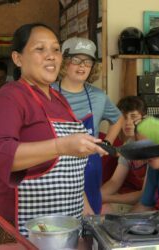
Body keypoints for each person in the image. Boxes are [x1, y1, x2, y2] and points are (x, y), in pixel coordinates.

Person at [0, 23, 108, 239]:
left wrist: (84, 204)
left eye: (56, 49)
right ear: (17, 58)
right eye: (40, 49)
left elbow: (71, 168)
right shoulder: (9, 97)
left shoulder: (59, 99)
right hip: (19, 223)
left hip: (65, 219)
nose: (51, 56)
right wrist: (61, 146)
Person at [53, 37, 123, 214]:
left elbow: (118, 119)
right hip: (57, 166)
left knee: (89, 218)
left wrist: (106, 143)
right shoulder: (48, 92)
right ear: (64, 63)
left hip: (90, 166)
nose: (82, 66)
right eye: (75, 60)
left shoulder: (99, 96)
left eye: (87, 61)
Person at [101, 96, 147, 213]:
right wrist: (95, 197)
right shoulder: (128, 145)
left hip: (157, 201)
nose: (128, 123)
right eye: (124, 118)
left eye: (133, 117)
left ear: (145, 118)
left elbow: (146, 195)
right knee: (101, 207)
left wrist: (105, 198)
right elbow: (115, 182)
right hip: (138, 199)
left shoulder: (152, 144)